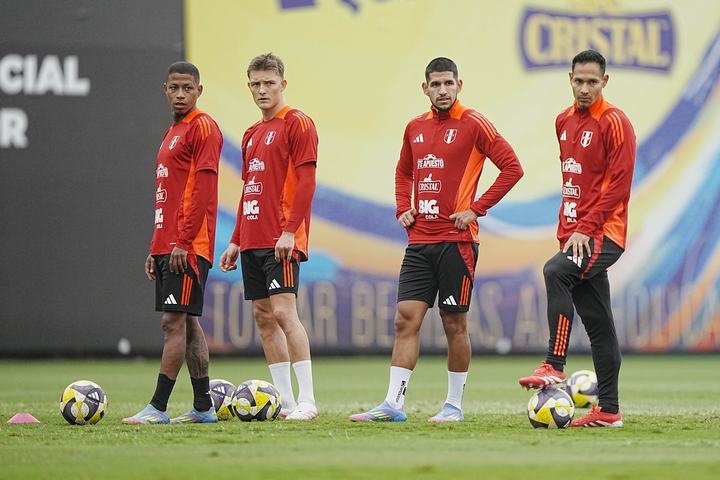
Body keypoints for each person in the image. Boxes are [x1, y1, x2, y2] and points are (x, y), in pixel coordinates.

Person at [349, 57, 524, 423]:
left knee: (453, 323)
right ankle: (393, 405)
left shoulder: (474, 123)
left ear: (459, 85)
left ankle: (453, 406)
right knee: (405, 319)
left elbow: (512, 168)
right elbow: (403, 172)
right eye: (436, 84)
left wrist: (476, 209)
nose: (442, 90)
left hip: (457, 243)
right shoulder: (414, 127)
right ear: (425, 88)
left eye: (448, 83)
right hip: (419, 242)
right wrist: (403, 207)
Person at [518, 50, 636, 428]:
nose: (585, 88)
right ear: (569, 79)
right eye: (579, 81)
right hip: (575, 236)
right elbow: (576, 182)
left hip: (603, 233)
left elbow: (618, 187)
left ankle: (554, 364)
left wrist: (586, 227)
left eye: (592, 82)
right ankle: (609, 411)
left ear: (605, 81)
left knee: (555, 272)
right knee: (599, 324)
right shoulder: (563, 121)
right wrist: (571, 230)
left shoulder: (616, 122)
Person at [219, 53, 319, 421]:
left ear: (283, 84)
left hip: (281, 238)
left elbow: (307, 183)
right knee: (263, 317)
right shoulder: (251, 134)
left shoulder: (298, 123)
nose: (262, 90)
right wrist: (235, 239)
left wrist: (290, 231)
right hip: (252, 238)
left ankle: (308, 401)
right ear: (249, 86)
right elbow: (250, 189)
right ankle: (285, 402)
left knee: (283, 312)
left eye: (269, 83)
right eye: (256, 84)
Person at [122, 61, 223, 424]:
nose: (180, 94)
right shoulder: (172, 132)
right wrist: (156, 246)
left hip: (188, 247)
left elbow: (203, 191)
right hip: (169, 244)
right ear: (165, 89)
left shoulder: (203, 127)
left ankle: (158, 407)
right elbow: (166, 196)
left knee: (172, 321)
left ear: (199, 91)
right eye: (174, 88)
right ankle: (203, 407)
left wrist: (183, 240)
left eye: (187, 88)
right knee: (189, 324)